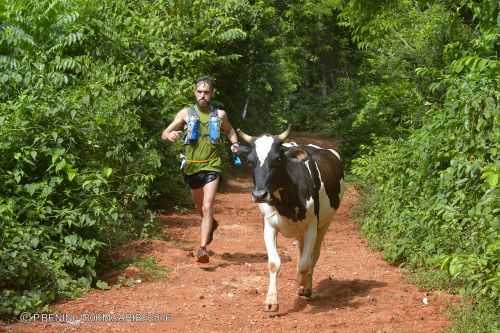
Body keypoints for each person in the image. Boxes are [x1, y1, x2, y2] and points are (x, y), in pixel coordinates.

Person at [161, 76, 239, 263]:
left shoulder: (219, 115)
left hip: (212, 165)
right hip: (192, 166)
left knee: (207, 205)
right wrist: (170, 135)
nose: (203, 95)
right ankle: (210, 223)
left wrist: (235, 144)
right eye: (199, 92)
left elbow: (230, 131)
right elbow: (164, 133)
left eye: (206, 92)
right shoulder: (185, 113)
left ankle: (202, 248)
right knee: (200, 207)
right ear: (195, 93)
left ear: (212, 94)